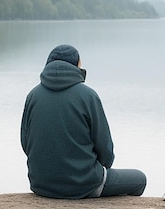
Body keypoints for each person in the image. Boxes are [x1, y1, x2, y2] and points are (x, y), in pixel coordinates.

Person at [20, 44, 146, 199]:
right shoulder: (88, 96)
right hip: (84, 184)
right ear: (77, 66)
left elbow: (25, 143)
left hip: (41, 185)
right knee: (140, 179)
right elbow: (105, 151)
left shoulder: (32, 96)